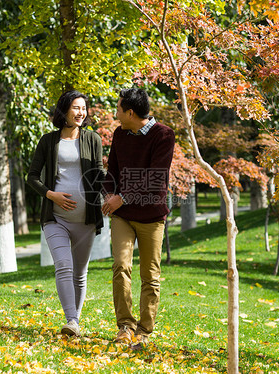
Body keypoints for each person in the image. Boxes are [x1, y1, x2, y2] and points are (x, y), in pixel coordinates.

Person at [101, 88, 175, 347]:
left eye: (118, 109)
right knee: (121, 266)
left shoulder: (163, 135)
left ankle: (143, 330)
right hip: (123, 215)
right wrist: (109, 194)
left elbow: (155, 180)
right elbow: (112, 171)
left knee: (150, 275)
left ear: (130, 112)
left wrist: (120, 197)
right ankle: (125, 326)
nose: (116, 113)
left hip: (151, 216)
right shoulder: (120, 134)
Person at [27, 90, 104, 337]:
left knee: (80, 273)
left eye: (84, 108)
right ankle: (71, 321)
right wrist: (52, 194)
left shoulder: (93, 139)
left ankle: (76, 321)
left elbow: (99, 175)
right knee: (63, 265)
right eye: (76, 107)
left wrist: (115, 190)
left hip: (86, 220)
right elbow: (32, 176)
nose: (81, 112)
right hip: (55, 218)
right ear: (64, 110)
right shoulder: (48, 141)